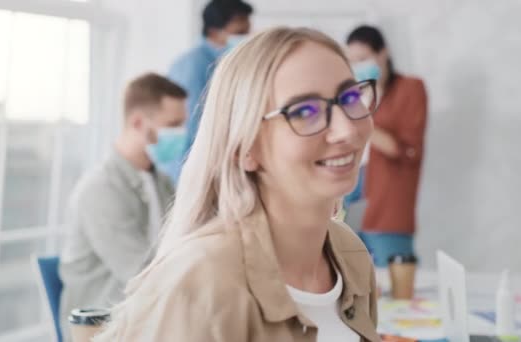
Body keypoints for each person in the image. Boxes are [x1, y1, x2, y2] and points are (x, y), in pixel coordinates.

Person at [96, 27, 380, 342]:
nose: (346, 131)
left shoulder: (351, 252)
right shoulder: (198, 283)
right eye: (305, 111)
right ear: (245, 149)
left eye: (351, 96)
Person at [59, 73, 187, 340]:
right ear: (138, 122)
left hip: (147, 317)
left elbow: (182, 243)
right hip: (106, 329)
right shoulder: (100, 190)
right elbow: (141, 275)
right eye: (173, 125)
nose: (181, 135)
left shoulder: (160, 181)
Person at [346, 25, 428, 267]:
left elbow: (406, 151)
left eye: (364, 58)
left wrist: (360, 116)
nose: (359, 66)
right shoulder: (354, 92)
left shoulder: (409, 88)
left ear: (383, 53)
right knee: (350, 279)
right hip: (349, 193)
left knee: (396, 283)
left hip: (387, 199)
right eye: (353, 61)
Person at [167, 0, 253, 182]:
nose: (247, 38)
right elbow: (188, 132)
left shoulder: (227, 63)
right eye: (239, 33)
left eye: (247, 31)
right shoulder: (194, 66)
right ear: (214, 33)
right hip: (190, 175)